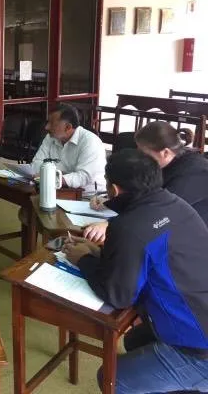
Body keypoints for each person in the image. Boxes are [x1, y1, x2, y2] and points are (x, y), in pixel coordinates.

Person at [64, 149, 208, 393]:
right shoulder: (177, 204)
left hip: (199, 351)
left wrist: (83, 259)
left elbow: (118, 296)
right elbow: (152, 254)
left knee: (112, 378)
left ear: (114, 189)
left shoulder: (128, 226)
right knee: (134, 340)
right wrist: (98, 253)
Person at [84, 121, 208, 243]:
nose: (140, 158)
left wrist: (109, 224)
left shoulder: (195, 171)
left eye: (144, 153)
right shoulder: (162, 164)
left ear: (165, 152)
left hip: (190, 238)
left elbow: (159, 209)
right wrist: (112, 201)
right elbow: (143, 195)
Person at [30, 103, 106, 193]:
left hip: (89, 196)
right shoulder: (50, 137)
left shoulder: (91, 141)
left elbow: (84, 176)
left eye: (52, 123)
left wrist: (54, 177)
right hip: (56, 189)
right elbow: (36, 164)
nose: (47, 127)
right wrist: (55, 176)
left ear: (68, 127)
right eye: (48, 122)